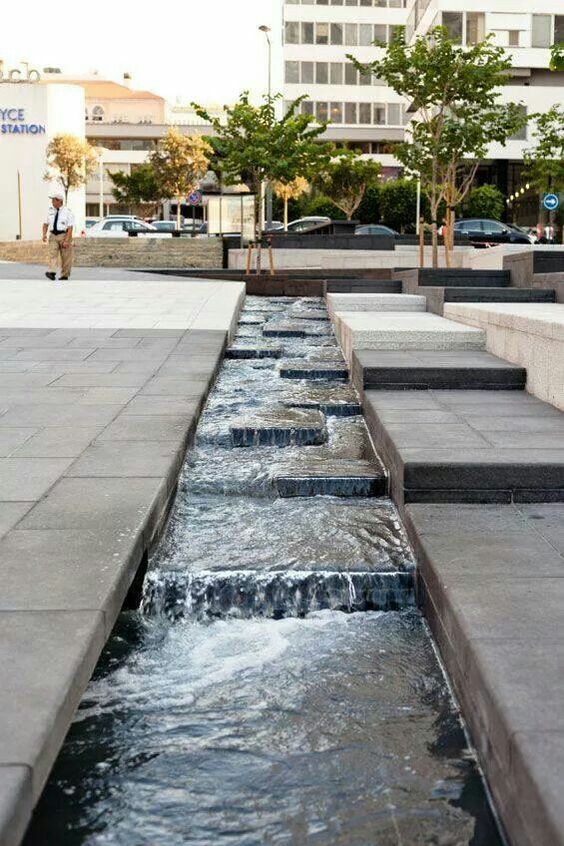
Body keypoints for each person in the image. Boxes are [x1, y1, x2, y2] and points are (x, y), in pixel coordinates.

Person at [42, 191, 74, 281]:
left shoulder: (68, 212)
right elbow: (45, 224)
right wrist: (44, 234)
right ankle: (52, 272)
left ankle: (64, 275)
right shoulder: (50, 211)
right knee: (52, 254)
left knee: (66, 257)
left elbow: (70, 228)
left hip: (64, 235)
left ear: (59, 201)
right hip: (53, 235)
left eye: (53, 200)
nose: (52, 202)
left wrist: (67, 240)